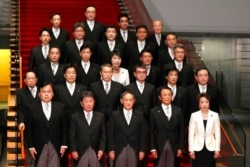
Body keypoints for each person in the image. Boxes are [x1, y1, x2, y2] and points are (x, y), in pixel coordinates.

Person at [26, 82, 67, 167]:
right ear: (39, 94)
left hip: (56, 144)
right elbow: (29, 129)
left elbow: (64, 127)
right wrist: (30, 146)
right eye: (44, 92)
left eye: (49, 92)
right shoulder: (32, 108)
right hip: (39, 145)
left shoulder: (61, 107)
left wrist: (64, 144)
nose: (46, 94)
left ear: (53, 94)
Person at [108, 91, 146, 167]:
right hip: (119, 148)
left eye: (130, 100)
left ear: (134, 101)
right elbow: (111, 134)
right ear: (121, 101)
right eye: (126, 100)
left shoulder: (139, 114)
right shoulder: (115, 115)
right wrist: (111, 149)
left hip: (134, 148)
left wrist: (142, 150)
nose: (128, 102)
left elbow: (143, 134)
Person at [69, 91, 106, 167]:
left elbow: (103, 135)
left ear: (94, 102)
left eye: (91, 101)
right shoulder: (75, 117)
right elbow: (72, 135)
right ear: (81, 103)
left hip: (96, 150)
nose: (89, 104)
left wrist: (101, 149)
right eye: (86, 101)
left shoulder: (100, 116)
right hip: (80, 151)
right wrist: (73, 150)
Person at [150, 86, 184, 167]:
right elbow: (151, 131)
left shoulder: (178, 111)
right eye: (165, 95)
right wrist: (152, 148)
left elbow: (181, 131)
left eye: (169, 95)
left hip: (174, 144)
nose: (167, 97)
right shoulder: (153, 111)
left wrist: (180, 147)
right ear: (159, 97)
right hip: (159, 144)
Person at [188, 93, 221, 167]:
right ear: (199, 104)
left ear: (209, 103)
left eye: (206, 102)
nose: (204, 104)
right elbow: (191, 134)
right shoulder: (194, 115)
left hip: (211, 147)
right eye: (202, 102)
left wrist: (217, 149)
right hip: (197, 147)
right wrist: (191, 150)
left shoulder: (215, 115)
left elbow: (218, 134)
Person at [16, 71, 40, 167]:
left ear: (36, 80)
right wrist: (21, 121)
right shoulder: (20, 92)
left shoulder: (42, 91)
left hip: (41, 124)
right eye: (28, 78)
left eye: (33, 78)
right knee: (29, 148)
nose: (31, 80)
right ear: (25, 81)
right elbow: (19, 109)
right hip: (28, 125)